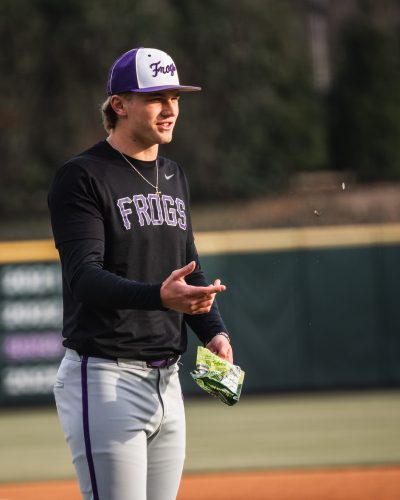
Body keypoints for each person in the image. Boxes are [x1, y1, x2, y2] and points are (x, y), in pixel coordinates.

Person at [47, 47, 233, 500]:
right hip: (105, 377)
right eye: (156, 98)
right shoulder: (83, 176)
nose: (170, 109)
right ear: (120, 104)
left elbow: (187, 266)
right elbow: (84, 277)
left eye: (175, 97)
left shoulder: (173, 174)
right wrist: (160, 297)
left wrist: (213, 331)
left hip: (167, 380)